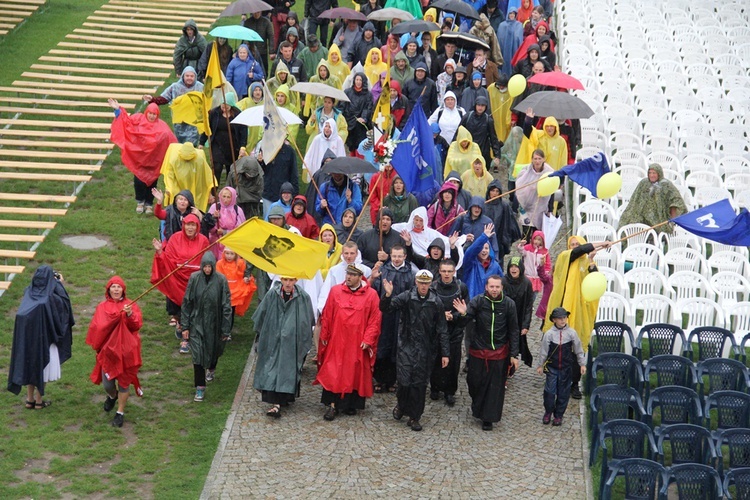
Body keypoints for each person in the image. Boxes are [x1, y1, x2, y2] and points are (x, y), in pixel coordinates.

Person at [381, 270, 449, 431]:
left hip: (425, 349)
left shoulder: (436, 302)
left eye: (426, 283)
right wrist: (388, 295)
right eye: (421, 283)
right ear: (416, 283)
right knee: (404, 382)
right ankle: (402, 405)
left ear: (430, 283)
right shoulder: (406, 297)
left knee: (419, 384)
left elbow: (442, 329)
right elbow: (387, 308)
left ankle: (415, 416)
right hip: (406, 345)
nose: (423, 286)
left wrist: (445, 353)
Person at [544, 236, 610, 399]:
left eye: (577, 244)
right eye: (572, 245)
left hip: (581, 312)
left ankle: (574, 383)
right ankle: (556, 380)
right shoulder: (564, 257)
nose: (574, 247)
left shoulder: (586, 262)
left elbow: (595, 278)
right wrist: (600, 243)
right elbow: (577, 252)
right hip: (563, 310)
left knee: (576, 349)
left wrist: (592, 259)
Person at [315, 264, 382, 420]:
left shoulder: (371, 295)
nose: (348, 277)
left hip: (357, 343)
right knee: (334, 371)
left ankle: (350, 404)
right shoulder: (335, 291)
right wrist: (324, 337)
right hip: (337, 341)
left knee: (354, 373)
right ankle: (333, 405)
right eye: (347, 274)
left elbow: (375, 320)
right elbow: (328, 315)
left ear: (360, 277)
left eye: (352, 275)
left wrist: (368, 339)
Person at [453, 275, 519, 431]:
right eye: (492, 287)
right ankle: (478, 406)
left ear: (502, 288)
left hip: (499, 353)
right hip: (478, 351)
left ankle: (488, 417)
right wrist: (462, 313)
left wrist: (514, 355)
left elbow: (514, 330)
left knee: (494, 388)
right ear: (486, 287)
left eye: (497, 287)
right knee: (474, 383)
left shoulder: (509, 304)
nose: (494, 290)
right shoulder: (478, 301)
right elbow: (464, 321)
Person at [7, 267, 74, 410]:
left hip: (28, 340)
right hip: (46, 340)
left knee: (30, 366)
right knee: (43, 368)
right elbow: (64, 307)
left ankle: (29, 399)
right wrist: (59, 284)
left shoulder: (28, 292)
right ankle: (38, 401)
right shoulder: (51, 296)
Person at [252, 277, 314, 418]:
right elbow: (261, 315)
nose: (287, 283)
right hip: (273, 339)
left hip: (291, 341)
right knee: (272, 368)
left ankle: (284, 398)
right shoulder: (272, 294)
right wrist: (263, 335)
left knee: (287, 368)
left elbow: (307, 320)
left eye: (291, 280)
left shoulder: (303, 297)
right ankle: (276, 403)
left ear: (296, 280)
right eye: (285, 280)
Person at [85, 276, 142, 427]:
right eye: (113, 287)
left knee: (124, 383)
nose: (116, 289)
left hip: (126, 353)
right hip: (109, 353)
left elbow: (136, 325)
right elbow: (97, 328)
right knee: (107, 384)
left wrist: (129, 315)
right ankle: (112, 396)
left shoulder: (131, 305)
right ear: (108, 289)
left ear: (123, 289)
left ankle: (120, 412)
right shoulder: (102, 307)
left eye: (119, 287)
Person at [108, 98, 177, 214]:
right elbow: (126, 123)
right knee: (139, 181)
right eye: (150, 113)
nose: (151, 116)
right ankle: (140, 201)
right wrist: (118, 110)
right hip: (139, 160)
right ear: (146, 112)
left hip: (154, 161)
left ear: (157, 115)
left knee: (153, 183)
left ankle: (149, 203)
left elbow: (171, 141)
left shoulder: (163, 127)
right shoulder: (138, 119)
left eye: (154, 114)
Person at [151, 213, 209, 348]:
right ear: (183, 225)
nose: (190, 228)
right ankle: (180, 323)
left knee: (191, 309)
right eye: (188, 225)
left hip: (195, 281)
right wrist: (160, 252)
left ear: (197, 226)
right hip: (176, 280)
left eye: (193, 225)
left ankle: (186, 337)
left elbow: (206, 260)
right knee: (176, 309)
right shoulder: (175, 239)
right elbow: (168, 259)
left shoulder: (203, 241)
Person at [181, 253, 232, 402]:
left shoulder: (221, 280)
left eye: (210, 266)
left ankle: (212, 366)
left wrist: (225, 328)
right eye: (205, 266)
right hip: (197, 323)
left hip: (215, 324)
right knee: (197, 356)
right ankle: (200, 387)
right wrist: (185, 326)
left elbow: (226, 306)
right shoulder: (194, 278)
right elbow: (187, 302)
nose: (207, 269)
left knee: (212, 352)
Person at [369, 244, 414, 394]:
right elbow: (374, 291)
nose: (396, 259)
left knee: (398, 346)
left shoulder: (411, 273)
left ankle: (393, 379)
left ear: (405, 257)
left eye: (399, 256)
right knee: (383, 345)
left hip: (401, 315)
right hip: (384, 314)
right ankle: (380, 379)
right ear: (390, 256)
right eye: (394, 256)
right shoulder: (383, 271)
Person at [537, 307, 586, 426]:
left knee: (563, 393)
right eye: (560, 318)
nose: (563, 320)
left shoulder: (571, 333)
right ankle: (548, 412)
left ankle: (558, 415)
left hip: (566, 368)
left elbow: (578, 349)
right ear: (554, 320)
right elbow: (544, 351)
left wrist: (582, 364)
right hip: (552, 368)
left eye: (564, 317)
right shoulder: (549, 334)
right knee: (549, 392)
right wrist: (540, 365)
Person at [430, 259, 468, 406]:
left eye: (449, 271)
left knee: (453, 363)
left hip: (454, 331)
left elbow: (466, 309)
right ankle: (435, 387)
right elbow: (428, 308)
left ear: (454, 272)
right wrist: (440, 316)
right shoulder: (433, 287)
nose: (446, 274)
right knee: (435, 360)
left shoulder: (461, 287)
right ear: (439, 271)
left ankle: (449, 391)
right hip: (436, 331)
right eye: (444, 271)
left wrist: (454, 316)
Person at [618, 163, 688, 234]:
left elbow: (677, 200)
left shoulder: (666, 185)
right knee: (627, 220)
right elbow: (635, 199)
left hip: (658, 216)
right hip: (641, 213)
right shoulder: (644, 183)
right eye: (650, 173)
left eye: (654, 173)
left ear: (659, 173)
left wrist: (672, 218)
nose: (651, 175)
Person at [142, 67, 204, 145]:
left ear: (195, 77)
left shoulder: (200, 87)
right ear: (183, 76)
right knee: (179, 143)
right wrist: (152, 99)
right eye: (187, 76)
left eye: (191, 76)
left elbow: (208, 101)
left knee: (191, 144)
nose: (189, 78)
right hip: (179, 120)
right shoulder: (175, 87)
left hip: (194, 121)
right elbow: (164, 98)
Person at [200, 95, 247, 184]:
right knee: (216, 167)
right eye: (223, 106)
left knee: (231, 169)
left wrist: (242, 146)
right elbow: (207, 128)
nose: (224, 108)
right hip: (217, 145)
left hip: (233, 146)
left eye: (227, 106)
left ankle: (229, 189)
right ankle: (214, 189)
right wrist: (201, 142)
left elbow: (243, 132)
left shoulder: (238, 114)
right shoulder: (214, 113)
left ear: (231, 105)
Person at [160, 142, 215, 212]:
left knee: (195, 203)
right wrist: (169, 188)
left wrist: (209, 193)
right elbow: (169, 177)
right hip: (178, 184)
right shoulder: (174, 160)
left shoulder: (200, 160)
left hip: (194, 184)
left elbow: (206, 176)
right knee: (178, 202)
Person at [502, 257, 535, 374]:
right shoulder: (503, 281)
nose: (514, 269)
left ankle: (510, 368)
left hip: (519, 319)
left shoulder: (526, 283)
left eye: (516, 267)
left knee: (515, 344)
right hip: (505, 320)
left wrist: (526, 325)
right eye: (511, 266)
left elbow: (528, 306)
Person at [515, 148, 555, 236]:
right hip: (526, 207)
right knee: (526, 234)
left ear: (544, 159)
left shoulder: (549, 173)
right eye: (535, 159)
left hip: (541, 207)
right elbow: (519, 187)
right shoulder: (525, 171)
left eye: (539, 158)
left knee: (537, 235)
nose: (537, 161)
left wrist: (550, 209)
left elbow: (551, 192)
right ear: (532, 159)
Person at [460, 96, 503, 171]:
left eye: (483, 106)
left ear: (485, 107)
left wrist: (497, 155)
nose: (480, 108)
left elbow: (493, 138)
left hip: (483, 151)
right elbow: (459, 133)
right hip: (468, 150)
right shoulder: (467, 117)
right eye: (479, 105)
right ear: (475, 105)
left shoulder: (488, 120)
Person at [259, 142, 299, 222]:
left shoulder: (289, 151)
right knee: (268, 222)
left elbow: (294, 174)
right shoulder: (265, 149)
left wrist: (295, 194)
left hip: (285, 195)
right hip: (268, 194)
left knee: (286, 221)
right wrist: (260, 162)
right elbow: (261, 171)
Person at [484, 179, 521, 264]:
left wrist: (506, 241)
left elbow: (510, 224)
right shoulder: (484, 204)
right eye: (493, 190)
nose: (495, 193)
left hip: (499, 241)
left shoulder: (504, 206)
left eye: (497, 191)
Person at [216, 248, 256, 326]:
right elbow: (218, 277)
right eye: (227, 253)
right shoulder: (220, 264)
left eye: (232, 254)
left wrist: (246, 278)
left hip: (235, 292)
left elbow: (245, 274)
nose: (229, 256)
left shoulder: (240, 263)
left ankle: (228, 330)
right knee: (221, 311)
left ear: (236, 254)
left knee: (230, 312)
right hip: (223, 292)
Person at [208, 187, 246, 260]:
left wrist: (225, 232)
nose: (225, 199)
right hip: (215, 243)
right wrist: (214, 218)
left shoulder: (238, 210)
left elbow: (240, 231)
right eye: (224, 196)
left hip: (231, 243)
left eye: (228, 197)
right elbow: (207, 226)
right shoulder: (215, 207)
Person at [340, 72, 373, 153]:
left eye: (360, 80)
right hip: (348, 120)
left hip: (360, 125)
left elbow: (367, 108)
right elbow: (342, 106)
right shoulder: (347, 92)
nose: (358, 82)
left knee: (359, 145)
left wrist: (363, 118)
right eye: (357, 80)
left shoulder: (368, 95)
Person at [227, 148, 264, 219]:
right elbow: (229, 189)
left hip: (252, 200)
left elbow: (259, 193)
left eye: (253, 176)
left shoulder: (259, 177)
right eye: (249, 175)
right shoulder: (234, 174)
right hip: (238, 198)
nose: (250, 177)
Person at [497, 9, 524, 77]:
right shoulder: (502, 25)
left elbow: (519, 39)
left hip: (514, 51)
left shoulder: (519, 25)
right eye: (510, 13)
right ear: (507, 14)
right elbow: (499, 39)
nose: (512, 15)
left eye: (513, 14)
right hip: (504, 51)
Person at [488, 74, 513, 144]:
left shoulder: (511, 91)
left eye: (503, 86)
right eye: (500, 85)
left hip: (506, 118)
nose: (501, 87)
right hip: (495, 117)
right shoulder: (491, 88)